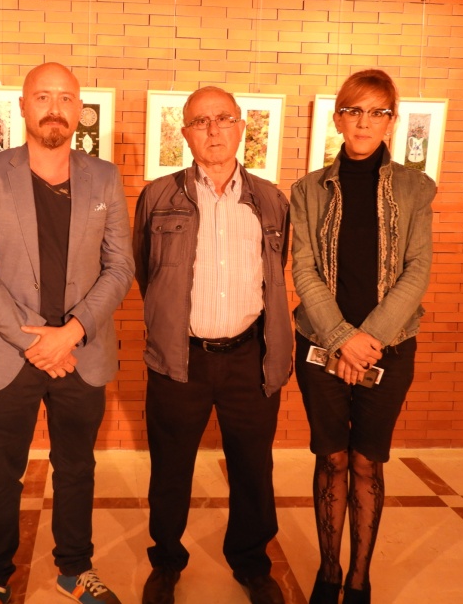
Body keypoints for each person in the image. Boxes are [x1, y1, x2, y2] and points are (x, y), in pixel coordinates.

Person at [0, 63, 134, 604]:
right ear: (25, 105)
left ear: (80, 110)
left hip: (82, 352)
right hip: (8, 352)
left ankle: (75, 570)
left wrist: (71, 331)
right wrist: (36, 340)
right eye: (42, 96)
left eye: (66, 98)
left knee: (77, 466)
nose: (54, 107)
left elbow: (119, 268)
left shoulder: (103, 177)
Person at [132, 87, 291, 604]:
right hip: (181, 358)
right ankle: (166, 562)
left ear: (242, 126)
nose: (214, 130)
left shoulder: (270, 200)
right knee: (171, 466)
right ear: (185, 133)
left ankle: (250, 562)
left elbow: (276, 271)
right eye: (201, 121)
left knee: (252, 465)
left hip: (250, 358)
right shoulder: (158, 197)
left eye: (223, 119)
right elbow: (144, 270)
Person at [290, 69, 435, 604]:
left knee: (365, 462)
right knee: (330, 458)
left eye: (377, 112)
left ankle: (359, 579)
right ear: (337, 119)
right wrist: (339, 339)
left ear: (392, 121)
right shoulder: (307, 189)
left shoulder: (415, 188)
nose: (364, 122)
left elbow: (417, 271)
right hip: (318, 345)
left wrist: (366, 339)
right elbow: (303, 270)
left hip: (389, 348)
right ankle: (330, 573)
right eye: (354, 110)